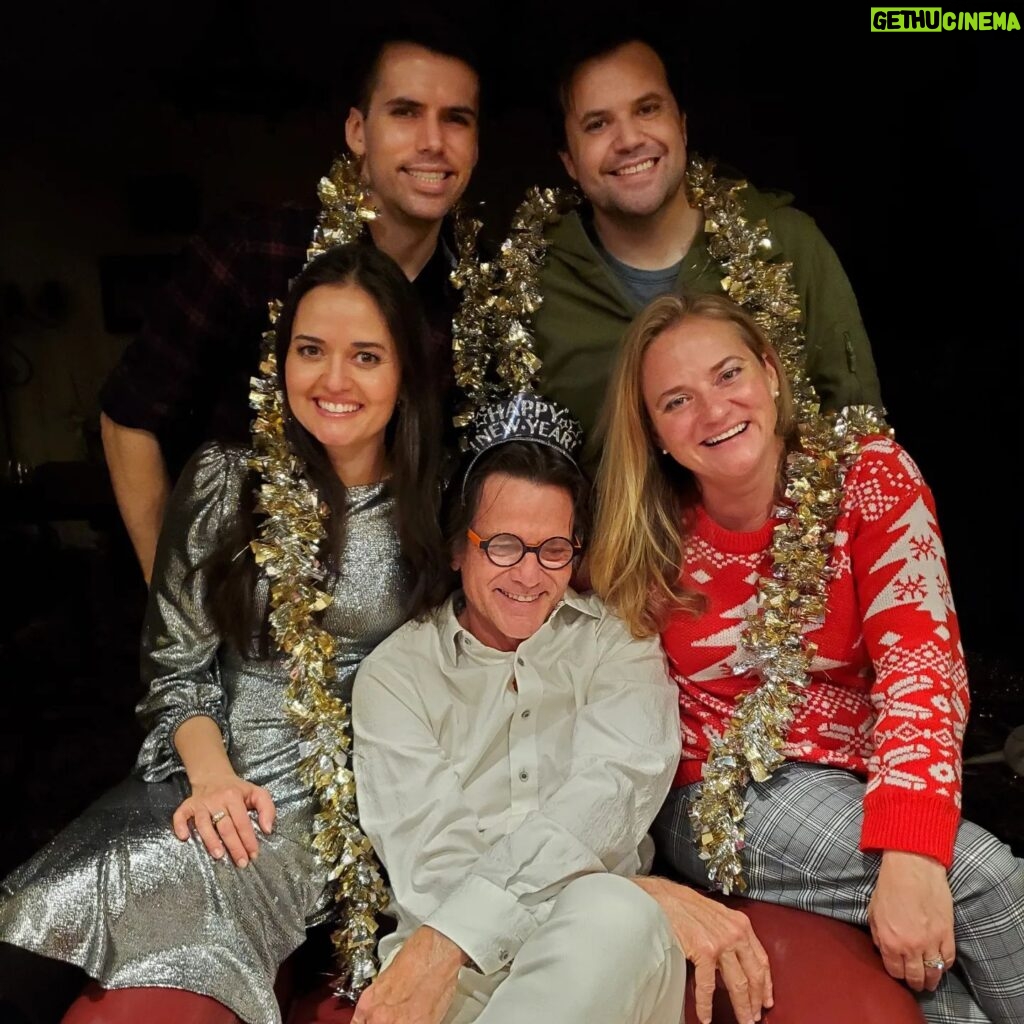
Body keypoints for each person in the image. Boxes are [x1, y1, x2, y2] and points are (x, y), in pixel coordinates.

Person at [0, 244, 451, 1024]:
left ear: (405, 373)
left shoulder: (439, 502)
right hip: (198, 771)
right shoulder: (223, 481)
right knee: (32, 934)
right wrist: (210, 779)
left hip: (331, 811)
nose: (333, 380)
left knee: (171, 901)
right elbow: (175, 669)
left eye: (365, 356)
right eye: (310, 351)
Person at [588, 290, 1024, 1024]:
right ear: (654, 432)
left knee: (942, 979)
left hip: (860, 771)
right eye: (676, 401)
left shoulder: (868, 475)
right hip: (720, 793)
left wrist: (910, 848)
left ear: (771, 372)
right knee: (984, 879)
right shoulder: (647, 533)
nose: (714, 411)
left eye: (729, 375)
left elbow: (922, 661)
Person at [348, 393, 773, 1024]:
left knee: (614, 914)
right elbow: (435, 868)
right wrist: (639, 885)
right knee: (619, 898)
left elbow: (611, 798)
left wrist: (619, 894)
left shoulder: (617, 645)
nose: (528, 575)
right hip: (445, 977)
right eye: (503, 546)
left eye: (553, 549)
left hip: (606, 959)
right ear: (459, 547)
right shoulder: (396, 678)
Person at [99, 21, 480, 584]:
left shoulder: (483, 294)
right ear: (357, 130)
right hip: (250, 618)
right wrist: (175, 600)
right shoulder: (257, 253)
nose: (433, 140)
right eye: (405, 111)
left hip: (406, 622)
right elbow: (128, 418)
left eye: (456, 118)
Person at [528, 31, 882, 449]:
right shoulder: (534, 287)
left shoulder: (787, 243)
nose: (629, 140)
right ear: (569, 160)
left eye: (647, 109)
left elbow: (858, 430)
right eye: (597, 124)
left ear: (681, 123)